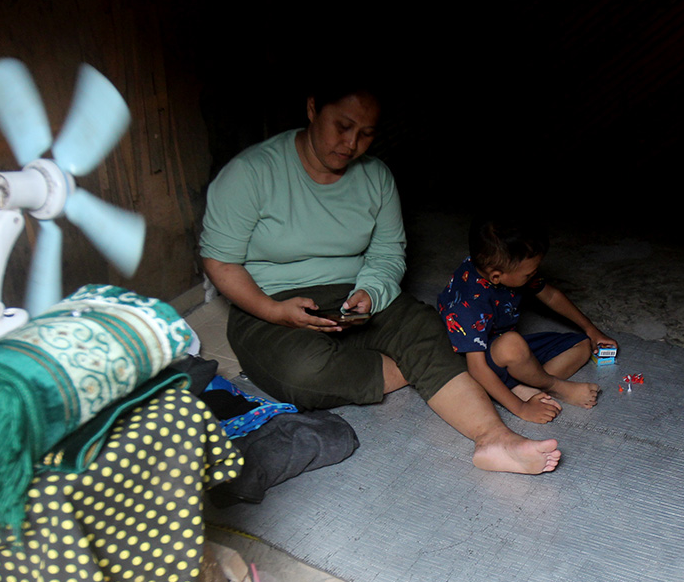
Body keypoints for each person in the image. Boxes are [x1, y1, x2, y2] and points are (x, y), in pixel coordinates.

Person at [198, 81, 560, 474]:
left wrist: (370, 291)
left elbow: (387, 253)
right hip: (269, 301)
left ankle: (495, 439)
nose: (351, 144)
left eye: (366, 133)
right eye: (342, 126)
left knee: (428, 327)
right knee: (304, 372)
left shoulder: (376, 177)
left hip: (354, 294)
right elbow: (221, 263)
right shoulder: (251, 173)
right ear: (312, 108)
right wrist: (273, 310)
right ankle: (438, 369)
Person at [437, 218, 617, 424]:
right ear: (496, 276)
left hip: (505, 348)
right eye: (528, 274)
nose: (533, 276)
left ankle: (524, 386)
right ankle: (552, 388)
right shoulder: (468, 304)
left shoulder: (499, 267)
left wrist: (591, 329)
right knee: (512, 345)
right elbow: (477, 368)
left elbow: (550, 296)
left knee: (582, 345)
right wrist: (522, 409)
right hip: (472, 363)